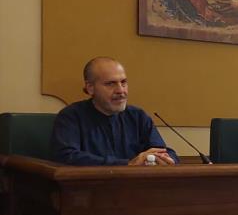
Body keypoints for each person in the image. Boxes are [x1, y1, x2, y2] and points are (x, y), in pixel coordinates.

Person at [51, 57, 179, 166]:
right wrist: (127, 165)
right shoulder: (71, 116)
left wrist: (165, 159)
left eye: (123, 82)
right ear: (90, 88)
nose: (121, 90)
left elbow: (162, 151)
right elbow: (66, 157)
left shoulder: (137, 116)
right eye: (111, 84)